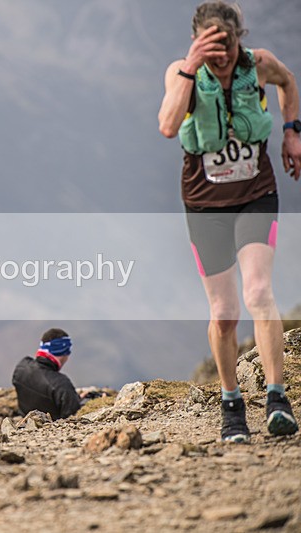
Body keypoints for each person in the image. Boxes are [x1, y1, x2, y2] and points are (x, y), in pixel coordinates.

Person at [158, 1, 300, 442]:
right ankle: (231, 403)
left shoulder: (258, 64)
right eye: (211, 45)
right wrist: (191, 67)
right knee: (224, 313)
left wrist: (293, 131)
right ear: (197, 40)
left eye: (228, 43)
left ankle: (277, 398)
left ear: (240, 37)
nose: (221, 55)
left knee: (259, 291)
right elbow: (166, 125)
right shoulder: (181, 71)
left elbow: (288, 82)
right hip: (205, 205)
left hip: (256, 193)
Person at [12, 328, 82, 421]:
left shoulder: (22, 367)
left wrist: (74, 397)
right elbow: (74, 417)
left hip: (23, 423)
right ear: (65, 352)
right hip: (52, 431)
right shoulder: (61, 384)